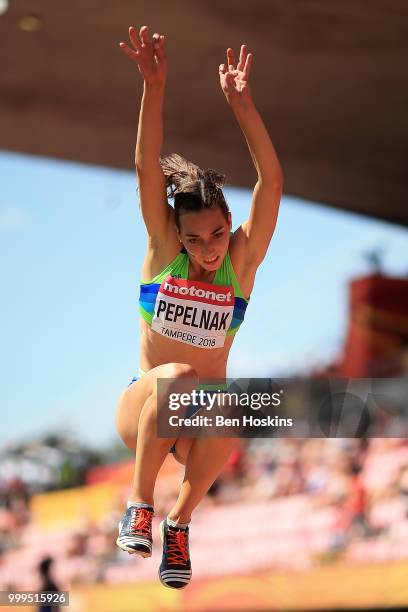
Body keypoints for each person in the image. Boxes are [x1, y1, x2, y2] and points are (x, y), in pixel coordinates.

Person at [116, 24, 283, 589]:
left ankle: (178, 524)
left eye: (216, 235)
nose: (208, 250)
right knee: (183, 374)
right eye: (195, 241)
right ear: (178, 239)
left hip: (195, 427)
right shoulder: (165, 250)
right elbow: (145, 166)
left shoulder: (241, 264)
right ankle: (138, 502)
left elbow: (273, 183)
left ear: (228, 226)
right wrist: (153, 85)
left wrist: (243, 106)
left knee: (231, 405)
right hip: (144, 407)